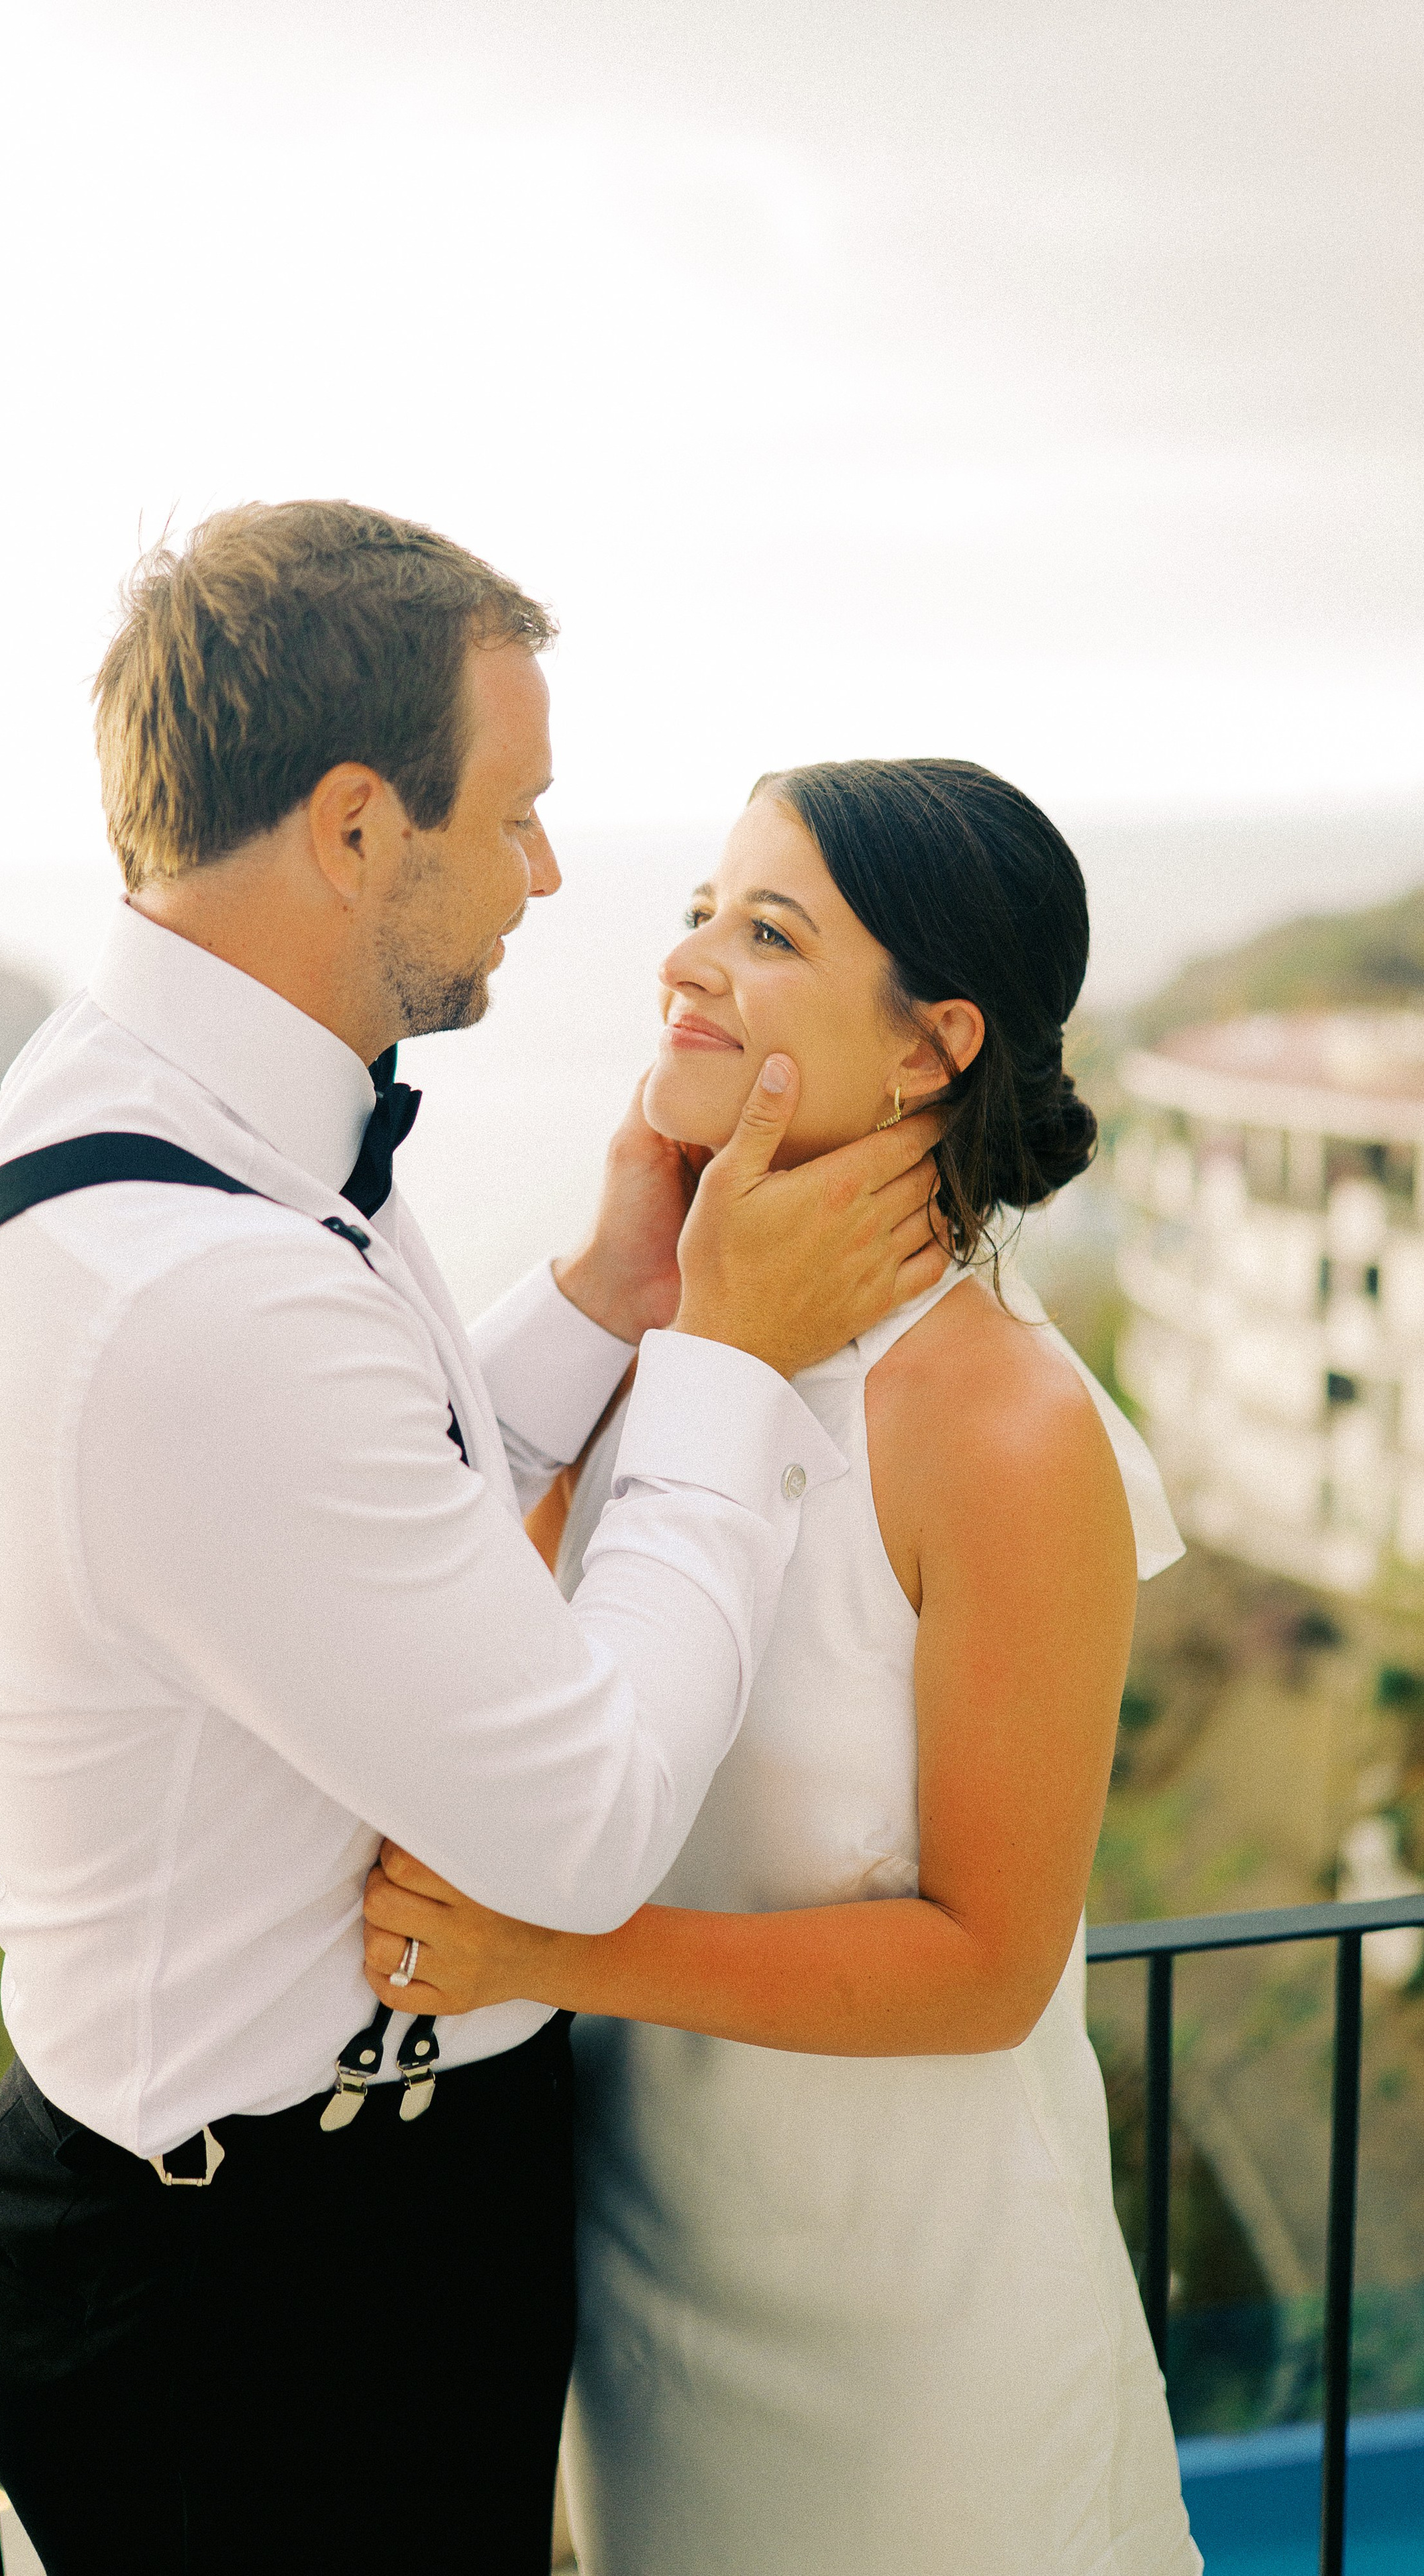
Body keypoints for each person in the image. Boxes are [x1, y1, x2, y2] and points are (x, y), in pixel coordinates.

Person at [0, 505, 948, 2575]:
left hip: (348, 2210)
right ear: (358, 827)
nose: (553, 876)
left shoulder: (201, 1126)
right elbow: (578, 1826)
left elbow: (364, 1520)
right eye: (523, 813)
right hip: (263, 2297)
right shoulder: (194, 1286)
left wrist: (600, 1302)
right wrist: (731, 1368)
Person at [363, 758, 1203, 2576]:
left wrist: (551, 1952)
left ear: (930, 1049)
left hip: (918, 2340)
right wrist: (620, 1281)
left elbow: (990, 1967)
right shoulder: (665, 1341)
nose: (691, 958)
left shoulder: (1004, 1425)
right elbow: (467, 1654)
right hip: (646, 2282)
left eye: (768, 931)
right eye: (696, 912)